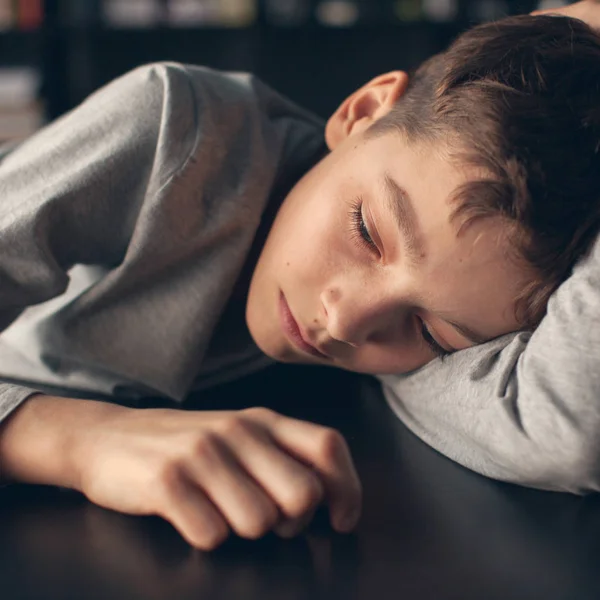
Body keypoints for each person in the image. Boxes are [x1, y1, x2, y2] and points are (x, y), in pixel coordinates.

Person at [0, 7, 599, 550]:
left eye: (429, 332)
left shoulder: (445, 317)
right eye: (367, 232)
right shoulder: (173, 132)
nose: (346, 322)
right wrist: (79, 443)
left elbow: (570, 428)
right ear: (362, 112)